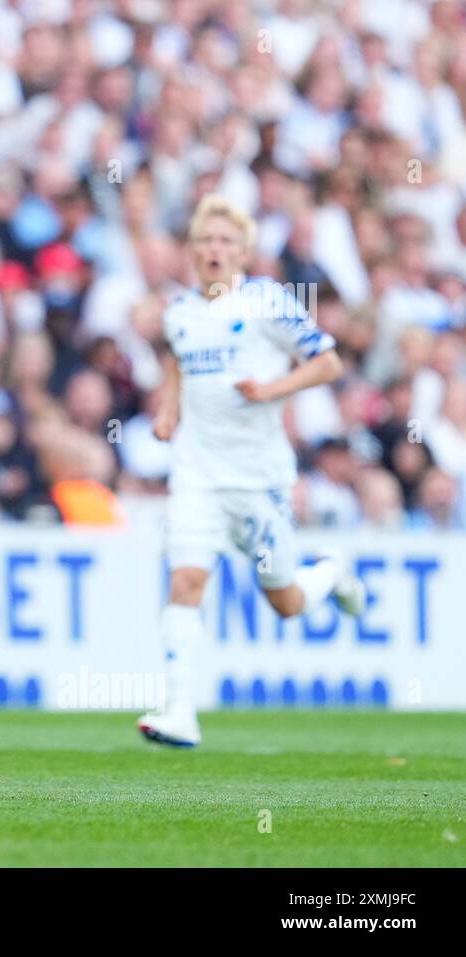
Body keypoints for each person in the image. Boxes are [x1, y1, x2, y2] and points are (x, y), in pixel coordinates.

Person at [138, 195, 366, 749]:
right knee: (186, 580)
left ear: (242, 251)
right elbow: (176, 360)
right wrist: (168, 412)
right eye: (205, 241)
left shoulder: (267, 301)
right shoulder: (179, 313)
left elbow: (328, 360)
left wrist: (271, 390)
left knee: (284, 601)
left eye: (225, 241)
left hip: (259, 479)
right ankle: (181, 713)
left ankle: (330, 572)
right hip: (197, 475)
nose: (214, 250)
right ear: (192, 251)